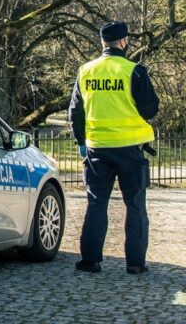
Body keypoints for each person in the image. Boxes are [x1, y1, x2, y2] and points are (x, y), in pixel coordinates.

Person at [68, 21, 159, 274]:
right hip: (130, 148)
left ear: (102, 43)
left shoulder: (86, 71)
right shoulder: (135, 71)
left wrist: (81, 142)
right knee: (135, 205)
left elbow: (75, 112)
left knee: (96, 203)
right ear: (123, 42)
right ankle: (136, 263)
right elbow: (150, 109)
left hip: (97, 148)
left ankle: (90, 260)